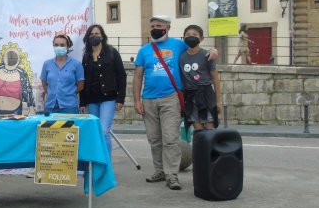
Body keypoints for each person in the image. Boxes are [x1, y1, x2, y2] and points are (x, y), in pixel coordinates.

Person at [133, 15, 218, 191]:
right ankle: (160, 171)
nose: (155, 28)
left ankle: (172, 174)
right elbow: (138, 76)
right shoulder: (144, 50)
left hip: (171, 97)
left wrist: (214, 52)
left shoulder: (179, 45)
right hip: (148, 99)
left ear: (168, 27)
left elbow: (198, 51)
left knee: (170, 139)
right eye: (153, 25)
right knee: (154, 139)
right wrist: (136, 100)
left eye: (159, 25)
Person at [79, 25, 126, 155]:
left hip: (108, 98)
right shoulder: (86, 56)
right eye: (92, 34)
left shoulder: (112, 52)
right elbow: (84, 80)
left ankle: (106, 166)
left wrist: (120, 98)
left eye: (97, 33)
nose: (95, 36)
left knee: (104, 130)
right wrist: (82, 102)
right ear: (88, 38)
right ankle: (97, 162)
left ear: (102, 36)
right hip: (92, 100)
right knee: (95, 131)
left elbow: (121, 75)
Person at [180, 25, 222, 132]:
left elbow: (215, 78)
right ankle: (200, 149)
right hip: (190, 97)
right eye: (188, 35)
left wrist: (218, 101)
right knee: (198, 131)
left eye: (195, 35)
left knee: (210, 130)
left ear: (201, 38)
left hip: (206, 95)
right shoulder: (182, 57)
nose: (191, 37)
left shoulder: (207, 55)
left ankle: (210, 149)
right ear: (183, 38)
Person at [40, 34, 84, 114]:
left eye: (62, 45)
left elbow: (80, 85)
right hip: (50, 106)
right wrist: (52, 92)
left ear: (68, 47)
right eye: (56, 45)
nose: (59, 47)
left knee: (70, 127)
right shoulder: (47, 64)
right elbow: (44, 83)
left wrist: (69, 93)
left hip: (69, 107)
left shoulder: (76, 64)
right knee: (49, 127)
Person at [0, 43, 35, 115]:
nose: (11, 57)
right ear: (3, 57)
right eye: (9, 55)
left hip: (14, 112)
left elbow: (28, 92)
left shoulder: (22, 73)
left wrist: (31, 108)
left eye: (14, 55)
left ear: (19, 60)